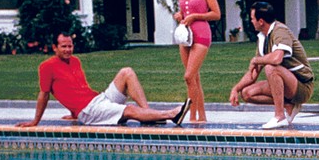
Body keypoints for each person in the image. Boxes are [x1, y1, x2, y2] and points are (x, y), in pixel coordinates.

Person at [17, 33, 190, 127]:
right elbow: (44, 95)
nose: (68, 50)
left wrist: (71, 113)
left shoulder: (75, 61)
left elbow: (74, 89)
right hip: (89, 110)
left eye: (70, 46)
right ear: (54, 48)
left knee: (126, 72)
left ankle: (148, 114)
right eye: (64, 46)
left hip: (97, 99)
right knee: (128, 109)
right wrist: (35, 121)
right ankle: (171, 115)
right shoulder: (47, 66)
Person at [228, 1, 314, 130]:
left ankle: (279, 116)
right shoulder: (263, 38)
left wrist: (257, 60)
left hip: (302, 86)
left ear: (261, 21)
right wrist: (236, 89)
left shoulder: (280, 31)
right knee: (247, 93)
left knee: (271, 67)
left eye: (252, 18)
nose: (251, 21)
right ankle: (289, 105)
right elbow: (253, 74)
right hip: (286, 84)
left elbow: (276, 58)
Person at [173, 0, 220, 124]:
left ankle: (192, 116)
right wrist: (180, 15)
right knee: (193, 78)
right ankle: (201, 116)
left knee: (188, 76)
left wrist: (195, 16)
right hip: (186, 35)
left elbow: (216, 14)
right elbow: (184, 12)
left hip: (201, 34)